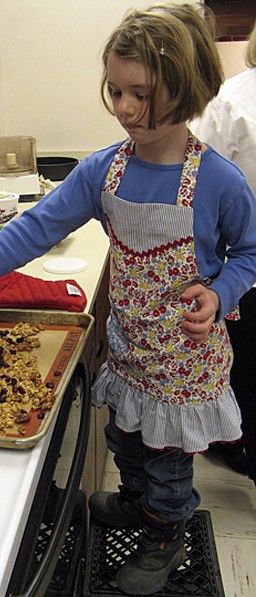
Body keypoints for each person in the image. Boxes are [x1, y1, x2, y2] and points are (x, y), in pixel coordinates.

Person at [0, 4, 256, 595]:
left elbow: (249, 254)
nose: (123, 108)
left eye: (141, 94)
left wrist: (221, 291)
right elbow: (36, 225)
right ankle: (132, 501)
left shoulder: (221, 181)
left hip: (183, 364)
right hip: (128, 351)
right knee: (124, 439)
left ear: (188, 86)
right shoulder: (104, 171)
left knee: (169, 464)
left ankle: (165, 532)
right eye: (115, 91)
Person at [190, 20, 256, 482]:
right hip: (242, 272)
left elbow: (189, 182)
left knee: (246, 374)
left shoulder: (232, 101)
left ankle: (236, 444)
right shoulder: (232, 102)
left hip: (242, 271)